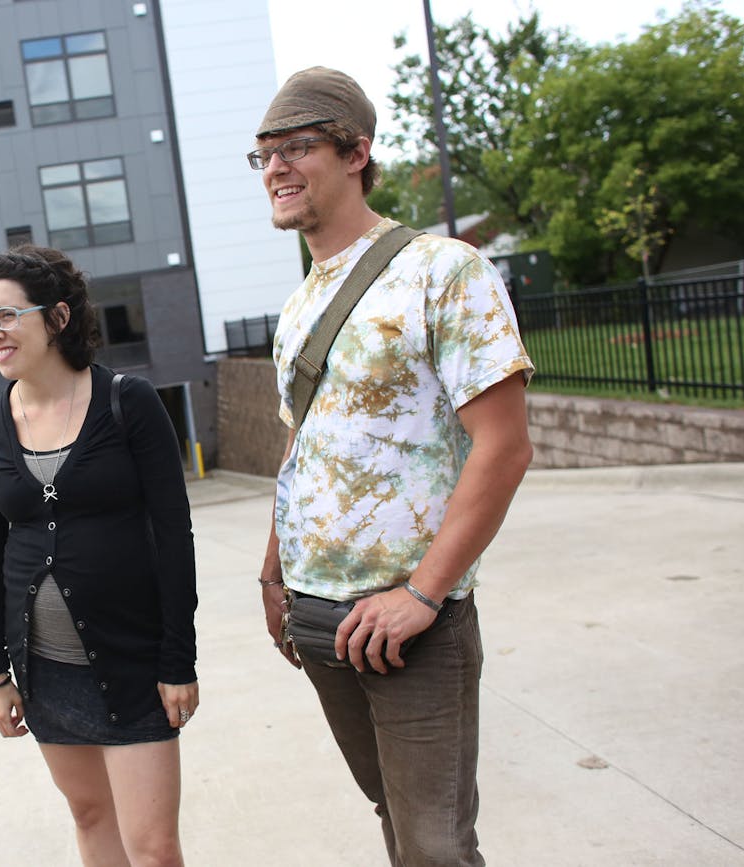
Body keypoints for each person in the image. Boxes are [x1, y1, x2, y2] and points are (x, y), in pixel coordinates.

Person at [251, 68, 534, 865]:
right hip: (315, 613)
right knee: (398, 820)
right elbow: (299, 447)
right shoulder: (299, 304)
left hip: (410, 620)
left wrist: (423, 592)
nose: (276, 168)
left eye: (297, 147)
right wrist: (274, 574)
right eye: (263, 155)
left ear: (356, 153)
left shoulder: (443, 271)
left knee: (437, 844)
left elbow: (505, 446)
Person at [0, 246, 197, 866]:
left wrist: (178, 660)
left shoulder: (128, 403)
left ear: (58, 317)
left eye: (7, 315)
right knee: (91, 817)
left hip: (132, 661)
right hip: (43, 670)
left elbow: (174, 537)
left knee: (152, 847)